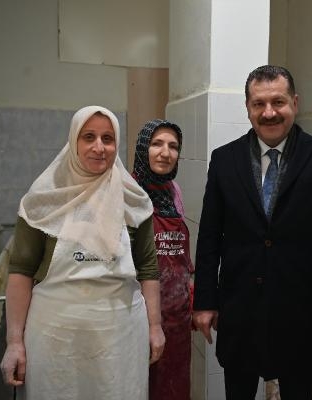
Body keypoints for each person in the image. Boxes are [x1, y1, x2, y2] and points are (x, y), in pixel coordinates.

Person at [193, 65, 312, 400]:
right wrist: (205, 301)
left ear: (295, 102)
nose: (269, 112)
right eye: (258, 104)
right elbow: (209, 237)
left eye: (278, 102)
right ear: (247, 108)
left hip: (301, 311)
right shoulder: (224, 160)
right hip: (239, 309)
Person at [0, 105, 165, 400]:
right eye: (89, 137)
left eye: (107, 138)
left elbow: (148, 269)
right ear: (73, 141)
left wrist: (155, 326)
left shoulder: (134, 201)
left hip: (120, 339)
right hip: (55, 338)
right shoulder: (42, 200)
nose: (99, 147)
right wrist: (14, 342)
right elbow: (21, 271)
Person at [132, 119, 194, 400]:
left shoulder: (174, 191)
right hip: (140, 317)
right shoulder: (128, 193)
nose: (165, 153)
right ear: (143, 148)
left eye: (173, 146)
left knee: (175, 388)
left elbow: (182, 256)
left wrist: (189, 294)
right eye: (156, 144)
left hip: (178, 317)